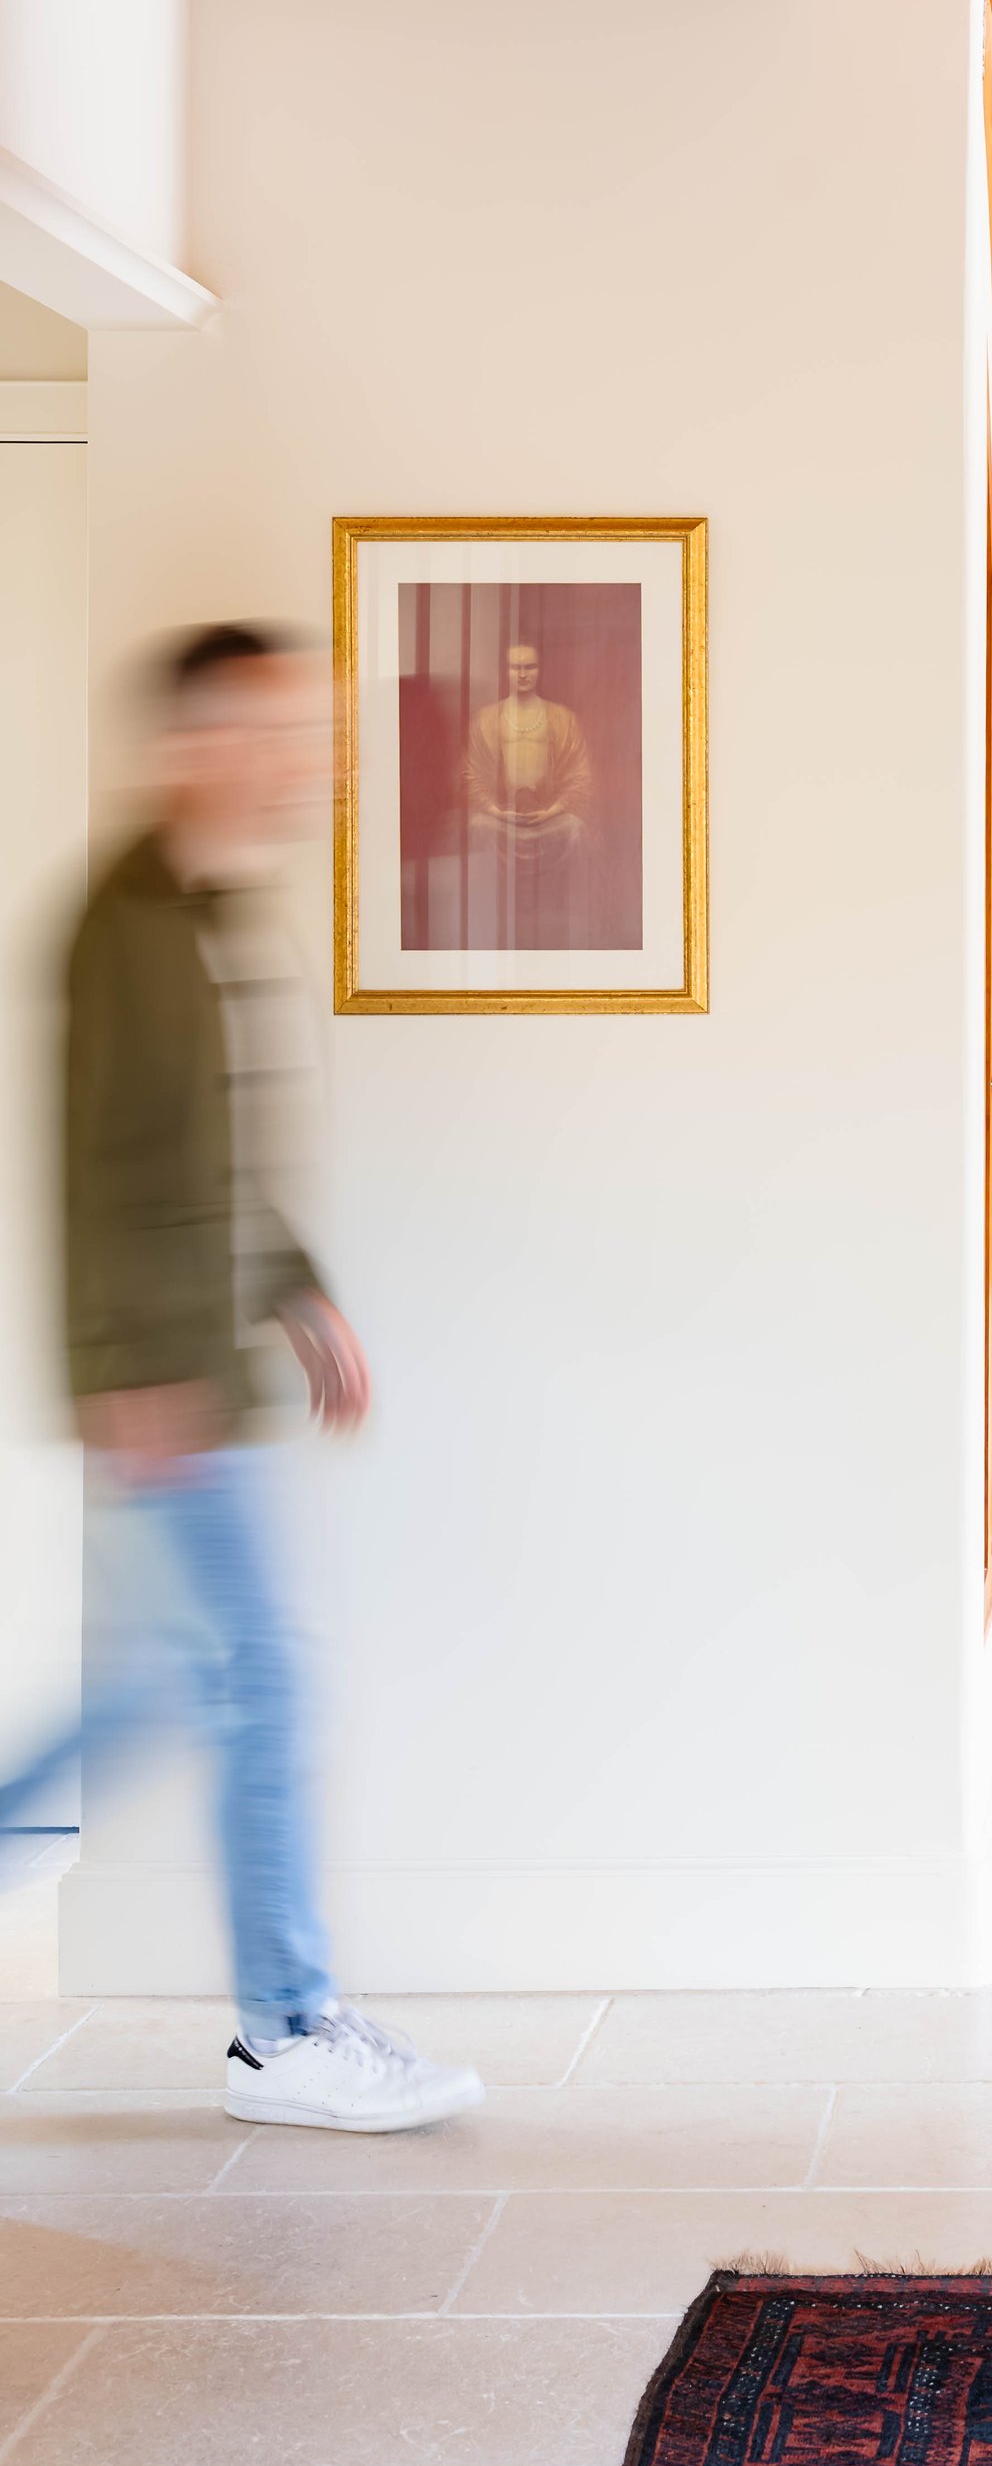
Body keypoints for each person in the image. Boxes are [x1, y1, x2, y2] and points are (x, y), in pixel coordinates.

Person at [0, 625, 482, 2133]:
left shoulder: (209, 908)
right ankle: (285, 2028)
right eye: (284, 735)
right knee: (262, 1673)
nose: (313, 763)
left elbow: (208, 1160)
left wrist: (296, 1289)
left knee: (175, 1678)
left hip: (202, 1362)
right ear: (199, 743)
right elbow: (99, 1167)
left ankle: (286, 2017)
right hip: (166, 1378)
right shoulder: (122, 923)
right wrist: (130, 1371)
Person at [464, 637, 591, 876]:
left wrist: (552, 811)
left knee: (576, 829)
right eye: (515, 667)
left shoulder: (563, 718)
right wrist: (497, 811)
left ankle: (563, 905)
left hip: (549, 820)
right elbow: (470, 775)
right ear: (506, 671)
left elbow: (580, 776)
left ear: (539, 669)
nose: (522, 674)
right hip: (501, 819)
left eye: (529, 667)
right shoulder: (485, 719)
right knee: (477, 826)